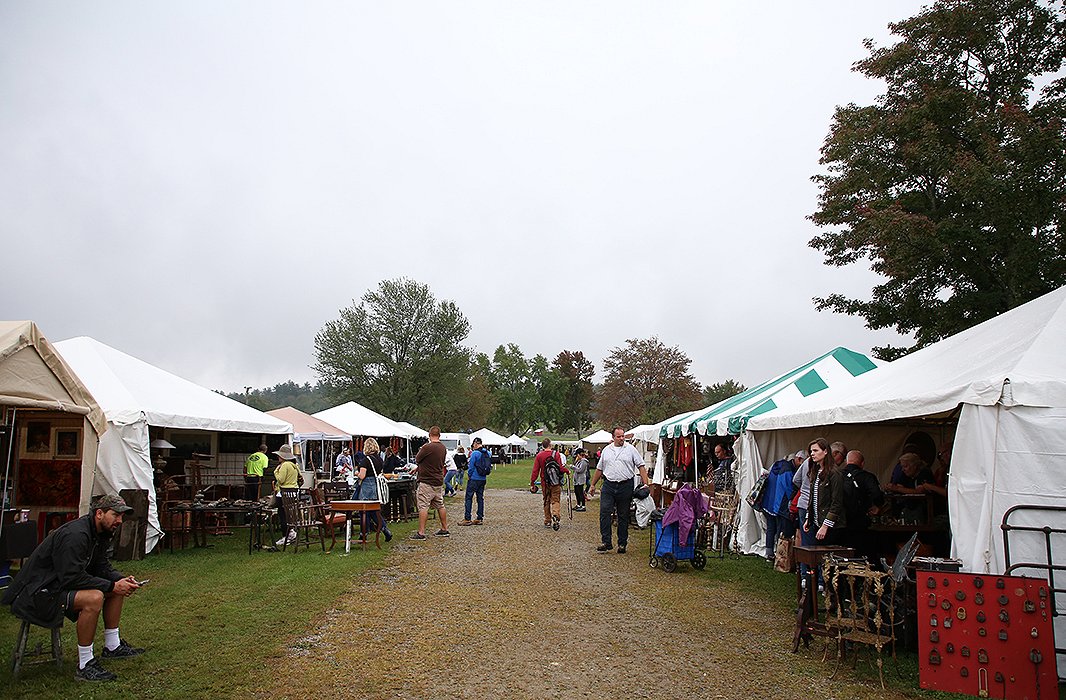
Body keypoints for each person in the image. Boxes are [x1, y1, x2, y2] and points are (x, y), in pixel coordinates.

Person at [2, 494, 145, 682]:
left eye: (121, 516)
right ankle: (85, 664)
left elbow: (101, 566)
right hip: (37, 593)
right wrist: (112, 585)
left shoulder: (102, 532)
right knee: (94, 598)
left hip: (57, 586)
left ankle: (112, 646)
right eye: (116, 515)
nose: (119, 520)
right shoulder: (76, 534)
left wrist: (121, 580)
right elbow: (71, 577)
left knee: (117, 590)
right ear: (99, 513)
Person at [587, 427, 650, 553]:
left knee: (623, 515)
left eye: (623, 436)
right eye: (619, 436)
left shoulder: (631, 449)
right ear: (613, 437)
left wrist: (645, 483)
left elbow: (641, 466)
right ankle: (606, 541)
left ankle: (622, 543)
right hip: (609, 485)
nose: (622, 438)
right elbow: (599, 469)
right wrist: (592, 485)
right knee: (604, 512)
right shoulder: (606, 450)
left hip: (625, 485)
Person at [840, 450, 885, 561]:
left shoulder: (837, 475)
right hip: (860, 520)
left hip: (840, 520)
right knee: (862, 550)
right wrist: (877, 506)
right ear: (862, 463)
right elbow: (877, 493)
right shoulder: (867, 477)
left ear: (846, 462)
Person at [803, 438, 845, 546]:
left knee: (828, 558)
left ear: (825, 451)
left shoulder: (835, 473)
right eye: (811, 451)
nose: (812, 454)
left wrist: (825, 526)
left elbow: (837, 502)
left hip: (832, 526)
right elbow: (812, 498)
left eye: (816, 451)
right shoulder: (816, 471)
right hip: (818, 522)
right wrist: (809, 517)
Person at [412, 426, 449, 540]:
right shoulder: (443, 448)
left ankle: (421, 532)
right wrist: (419, 468)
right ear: (439, 435)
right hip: (438, 480)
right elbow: (434, 463)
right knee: (440, 505)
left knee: (423, 506)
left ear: (429, 435)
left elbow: (418, 459)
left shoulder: (427, 447)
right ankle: (444, 528)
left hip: (426, 481)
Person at [353, 438, 392, 542]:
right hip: (375, 486)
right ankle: (384, 529)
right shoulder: (379, 459)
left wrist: (356, 473)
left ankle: (364, 533)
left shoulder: (365, 460)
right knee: (374, 511)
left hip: (367, 487)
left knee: (364, 511)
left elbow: (362, 476)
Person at [531, 439, 570, 531]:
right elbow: (560, 467)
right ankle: (556, 514)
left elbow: (535, 470)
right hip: (555, 481)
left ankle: (547, 520)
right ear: (550, 445)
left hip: (545, 482)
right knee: (555, 499)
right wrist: (567, 471)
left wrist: (533, 482)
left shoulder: (539, 455)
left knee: (546, 501)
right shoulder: (556, 454)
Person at [273, 444, 300, 546]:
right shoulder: (295, 466)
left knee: (283, 515)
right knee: (289, 515)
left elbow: (281, 479)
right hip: (293, 493)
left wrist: (276, 472)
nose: (278, 457)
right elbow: (300, 478)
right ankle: (291, 532)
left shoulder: (284, 465)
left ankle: (286, 535)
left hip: (284, 493)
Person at [460, 438, 490, 526]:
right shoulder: (487, 453)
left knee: (469, 497)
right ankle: (479, 518)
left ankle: (467, 518)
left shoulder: (475, 453)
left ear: (476, 444)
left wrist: (469, 475)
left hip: (474, 478)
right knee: (480, 498)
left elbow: (471, 466)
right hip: (483, 478)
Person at [572, 448, 590, 512]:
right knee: (577, 492)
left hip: (580, 479)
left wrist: (573, 467)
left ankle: (583, 506)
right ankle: (578, 504)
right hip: (577, 479)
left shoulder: (584, 461)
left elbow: (580, 470)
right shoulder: (579, 461)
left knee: (580, 493)